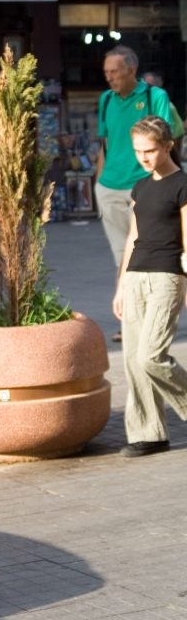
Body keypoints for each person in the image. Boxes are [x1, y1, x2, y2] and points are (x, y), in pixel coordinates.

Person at [112, 116, 187, 458]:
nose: (143, 157)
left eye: (150, 150)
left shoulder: (182, 184)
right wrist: (120, 287)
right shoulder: (140, 187)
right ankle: (149, 433)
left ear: (168, 146)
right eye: (138, 151)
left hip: (166, 276)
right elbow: (132, 237)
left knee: (150, 356)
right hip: (135, 277)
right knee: (132, 361)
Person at [96, 46, 172, 341]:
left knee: (150, 255)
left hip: (145, 187)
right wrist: (99, 185)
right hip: (110, 188)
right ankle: (131, 322)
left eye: (114, 71)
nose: (109, 77)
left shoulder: (155, 97)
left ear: (131, 70)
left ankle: (154, 319)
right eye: (106, 72)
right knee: (122, 257)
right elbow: (104, 144)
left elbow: (166, 141)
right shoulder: (106, 99)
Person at [141, 72, 185, 144]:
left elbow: (165, 123)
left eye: (151, 84)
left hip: (175, 133)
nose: (147, 86)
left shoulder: (161, 99)